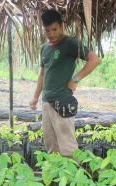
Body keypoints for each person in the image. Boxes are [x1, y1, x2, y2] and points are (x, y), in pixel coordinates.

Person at [29, 9, 100, 157]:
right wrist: (36, 97)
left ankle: (72, 178)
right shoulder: (44, 49)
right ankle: (55, 177)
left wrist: (75, 79)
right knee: (51, 144)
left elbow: (94, 60)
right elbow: (42, 74)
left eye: (54, 29)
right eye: (47, 30)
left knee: (67, 146)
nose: (51, 34)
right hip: (46, 101)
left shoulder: (70, 43)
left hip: (62, 101)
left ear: (62, 26)